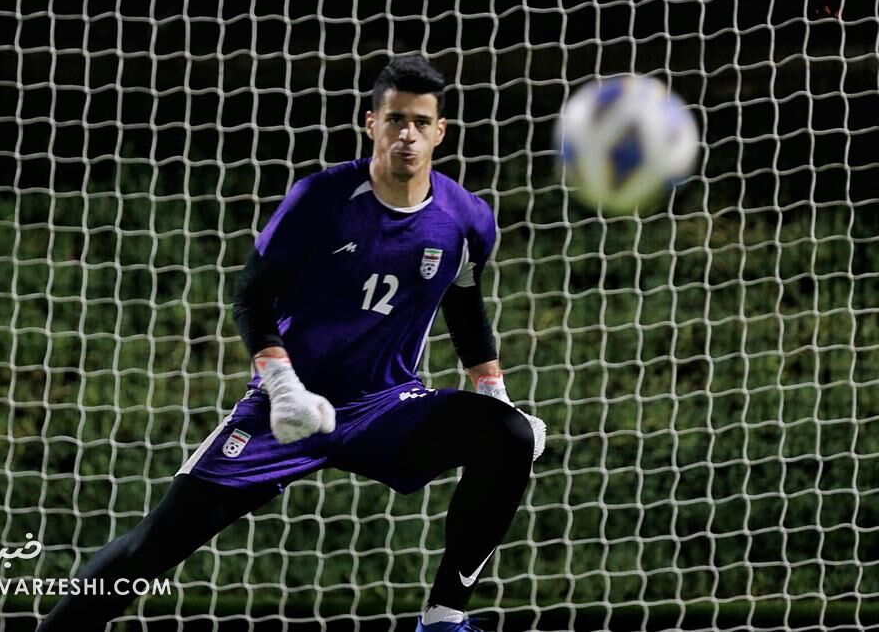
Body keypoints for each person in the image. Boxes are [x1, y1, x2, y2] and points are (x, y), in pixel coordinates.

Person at [39, 54, 546, 632]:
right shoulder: (320, 201)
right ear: (370, 123)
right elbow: (251, 296)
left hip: (384, 408)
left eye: (420, 122)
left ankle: (443, 618)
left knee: (509, 435)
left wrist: (493, 389)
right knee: (155, 545)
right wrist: (281, 387)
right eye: (395, 119)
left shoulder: (466, 219)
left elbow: (462, 297)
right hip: (287, 410)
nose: (407, 134)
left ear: (441, 131)